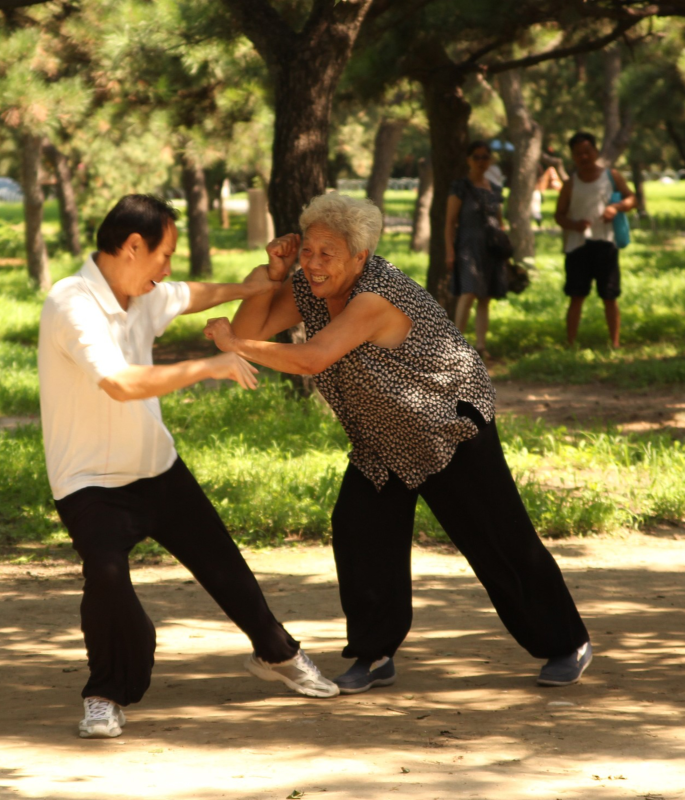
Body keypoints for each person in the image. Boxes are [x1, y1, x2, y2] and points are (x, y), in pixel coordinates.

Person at [204, 193, 592, 695]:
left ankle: (567, 642)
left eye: (329, 253)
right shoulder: (306, 283)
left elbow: (311, 358)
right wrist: (273, 276)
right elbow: (249, 328)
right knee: (360, 530)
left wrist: (235, 347)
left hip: (446, 423)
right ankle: (375, 653)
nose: (314, 264)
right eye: (308, 251)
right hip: (381, 432)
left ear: (360, 257)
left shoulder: (375, 295)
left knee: (496, 537)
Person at [38, 194, 338, 739]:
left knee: (223, 565)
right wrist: (208, 367)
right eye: (165, 254)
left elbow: (195, 294)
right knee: (106, 581)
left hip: (156, 466)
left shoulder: (141, 293)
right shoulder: (72, 303)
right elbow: (119, 383)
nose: (168, 269)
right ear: (132, 247)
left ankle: (277, 654)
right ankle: (105, 694)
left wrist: (260, 282)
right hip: (90, 484)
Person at [555, 131, 636, 348]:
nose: (583, 157)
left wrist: (616, 208)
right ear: (572, 156)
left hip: (606, 244)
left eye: (587, 151)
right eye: (578, 153)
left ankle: (615, 343)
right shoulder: (570, 183)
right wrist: (574, 225)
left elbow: (631, 198)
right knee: (576, 295)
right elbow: (559, 215)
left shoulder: (612, 176)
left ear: (596, 151)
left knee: (610, 296)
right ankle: (570, 343)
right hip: (578, 246)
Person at [445, 141, 508, 359]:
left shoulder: (495, 189)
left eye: (485, 157)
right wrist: (449, 251)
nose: (481, 161)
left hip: (491, 250)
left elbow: (500, 221)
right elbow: (450, 222)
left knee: (485, 297)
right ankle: (454, 344)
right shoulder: (460, 187)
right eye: (476, 157)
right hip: (467, 247)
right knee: (469, 292)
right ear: (469, 160)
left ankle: (481, 345)